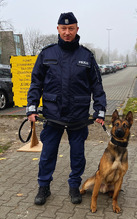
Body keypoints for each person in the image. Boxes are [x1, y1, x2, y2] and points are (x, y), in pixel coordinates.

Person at [26, 12, 107, 205]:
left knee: (78, 154)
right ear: (58, 29)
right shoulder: (47, 54)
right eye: (64, 28)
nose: (67, 32)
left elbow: (97, 85)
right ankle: (44, 187)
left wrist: (100, 110)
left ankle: (74, 186)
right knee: (47, 155)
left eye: (71, 28)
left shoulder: (86, 56)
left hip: (78, 116)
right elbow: (36, 82)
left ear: (77, 29)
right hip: (52, 116)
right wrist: (31, 108)